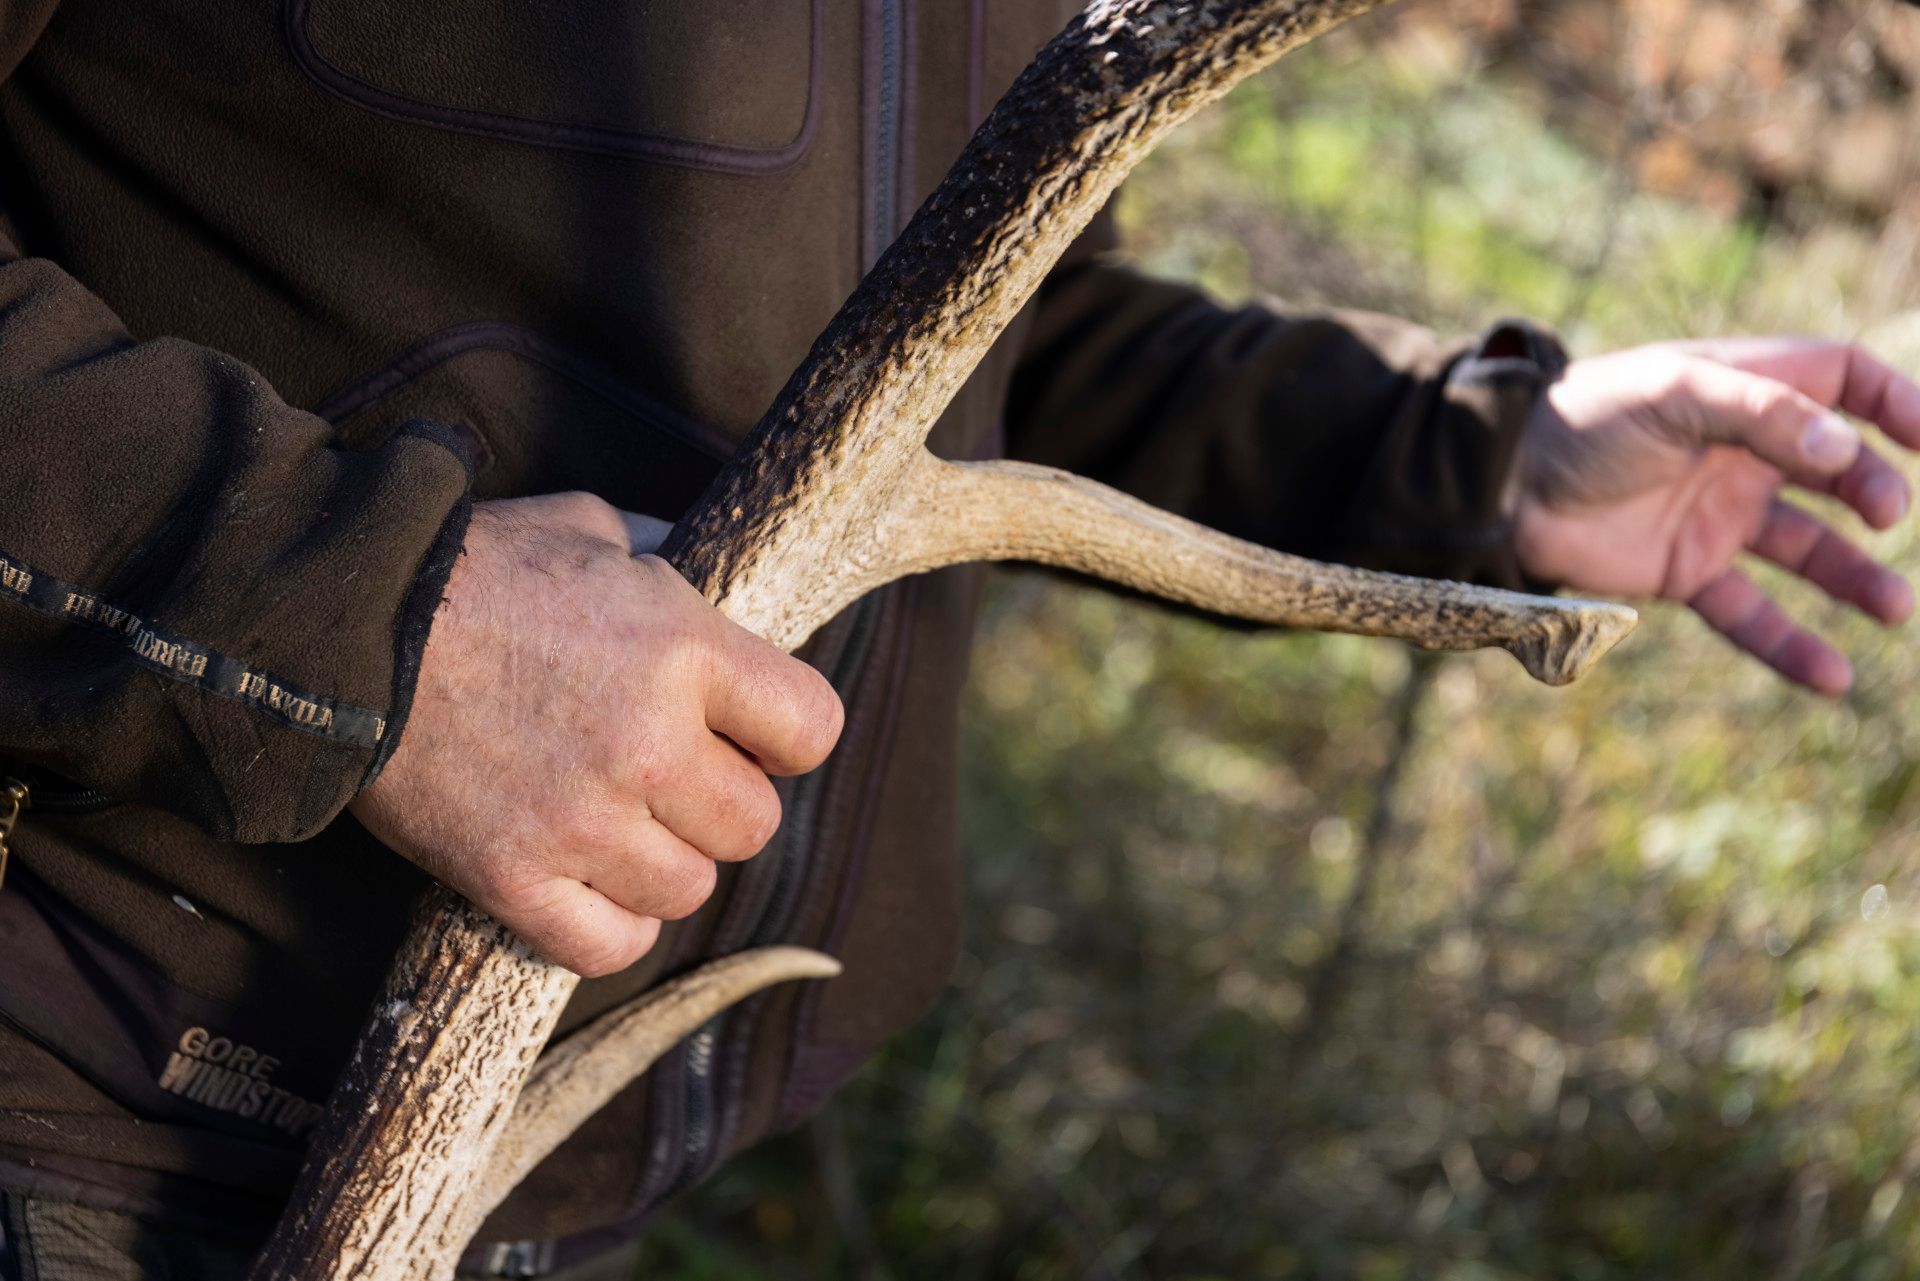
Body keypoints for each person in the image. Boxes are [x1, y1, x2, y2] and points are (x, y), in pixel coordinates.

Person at [1, 3, 1915, 1278]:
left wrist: (1470, 450)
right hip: (69, 1101)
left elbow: (963, 333)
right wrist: (356, 622)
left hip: (534, 1175)